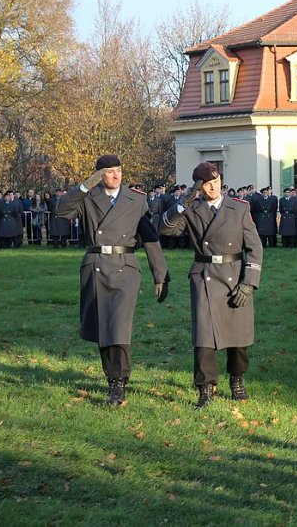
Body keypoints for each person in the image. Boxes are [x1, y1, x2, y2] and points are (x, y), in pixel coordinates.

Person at [56, 154, 170, 406]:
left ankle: (119, 382)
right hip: (95, 265)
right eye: (109, 172)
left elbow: (149, 237)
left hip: (125, 267)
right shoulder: (87, 197)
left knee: (118, 326)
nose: (116, 175)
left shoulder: (136, 199)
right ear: (99, 175)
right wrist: (86, 185)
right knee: (102, 328)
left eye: (118, 170)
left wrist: (160, 274)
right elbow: (62, 210)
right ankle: (112, 378)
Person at [159, 162, 263, 408]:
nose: (213, 187)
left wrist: (249, 283)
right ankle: (205, 388)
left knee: (239, 337)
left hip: (234, 275)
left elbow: (255, 248)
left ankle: (236, 379)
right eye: (206, 184)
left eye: (216, 182)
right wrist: (183, 202)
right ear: (199, 187)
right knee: (204, 337)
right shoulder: (192, 209)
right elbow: (165, 228)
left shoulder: (238, 208)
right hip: (204, 275)